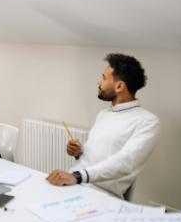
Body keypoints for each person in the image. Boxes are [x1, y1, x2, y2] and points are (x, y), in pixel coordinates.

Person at [46, 54, 160, 198]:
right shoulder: (103, 114)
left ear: (119, 86)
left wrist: (78, 176)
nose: (99, 82)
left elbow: (125, 162)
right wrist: (79, 153)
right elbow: (98, 155)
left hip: (101, 193)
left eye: (104, 78)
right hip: (74, 183)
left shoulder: (147, 121)